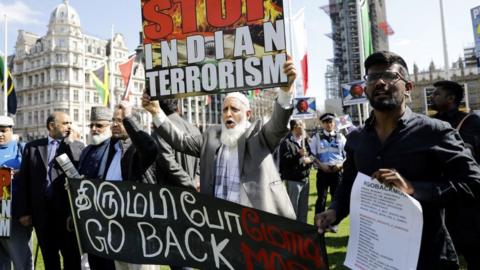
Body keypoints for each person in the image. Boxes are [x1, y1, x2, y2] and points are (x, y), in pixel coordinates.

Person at [315, 51, 480, 270]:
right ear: (365, 89)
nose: (380, 82)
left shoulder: (435, 131)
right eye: (372, 77)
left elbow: (473, 182)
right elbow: (349, 183)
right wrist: (335, 210)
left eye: (389, 76)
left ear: (408, 88)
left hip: (426, 257)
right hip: (372, 255)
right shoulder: (357, 139)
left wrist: (413, 189)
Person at [142, 58, 297, 219]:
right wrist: (156, 113)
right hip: (218, 224)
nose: (228, 114)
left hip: (252, 225)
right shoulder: (210, 136)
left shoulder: (259, 136)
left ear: (247, 114)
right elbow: (180, 140)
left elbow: (278, 125)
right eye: (225, 110)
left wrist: (285, 92)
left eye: (234, 109)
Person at [14, 112, 85, 270]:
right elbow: (25, 180)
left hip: (67, 213)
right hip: (42, 213)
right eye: (65, 123)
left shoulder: (77, 146)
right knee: (49, 257)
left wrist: (70, 143)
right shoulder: (33, 147)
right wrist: (24, 211)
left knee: (72, 257)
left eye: (70, 123)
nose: (70, 127)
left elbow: (76, 174)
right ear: (52, 126)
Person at [430, 80, 480, 270]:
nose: (432, 96)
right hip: (438, 199)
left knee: (473, 251)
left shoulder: (470, 122)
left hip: (466, 201)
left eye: (437, 93)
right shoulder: (431, 123)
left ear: (451, 98)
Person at [77, 106, 116, 270]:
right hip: (88, 215)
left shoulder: (116, 148)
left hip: (108, 216)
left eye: (99, 125)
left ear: (109, 125)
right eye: (91, 125)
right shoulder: (86, 150)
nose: (94, 129)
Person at [0, 116, 31, 270]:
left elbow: (33, 174)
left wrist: (18, 173)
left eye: (3, 130)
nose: (0, 134)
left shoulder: (23, 148)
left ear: (11, 130)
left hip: (13, 214)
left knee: (21, 260)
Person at [310, 113, 346, 214]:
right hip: (323, 172)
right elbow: (311, 155)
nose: (328, 124)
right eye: (326, 122)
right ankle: (318, 223)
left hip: (337, 172)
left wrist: (340, 165)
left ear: (334, 123)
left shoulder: (341, 137)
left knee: (336, 199)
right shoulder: (316, 137)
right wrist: (321, 165)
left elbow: (348, 155)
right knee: (321, 198)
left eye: (330, 122)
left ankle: (333, 223)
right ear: (322, 124)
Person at [279, 119, 313, 223]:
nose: (304, 129)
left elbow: (311, 155)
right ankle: (292, 233)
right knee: (293, 209)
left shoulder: (305, 141)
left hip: (305, 179)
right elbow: (285, 160)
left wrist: (309, 160)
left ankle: (302, 233)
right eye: (302, 126)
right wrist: (299, 154)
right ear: (295, 127)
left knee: (303, 210)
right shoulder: (286, 142)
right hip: (293, 180)